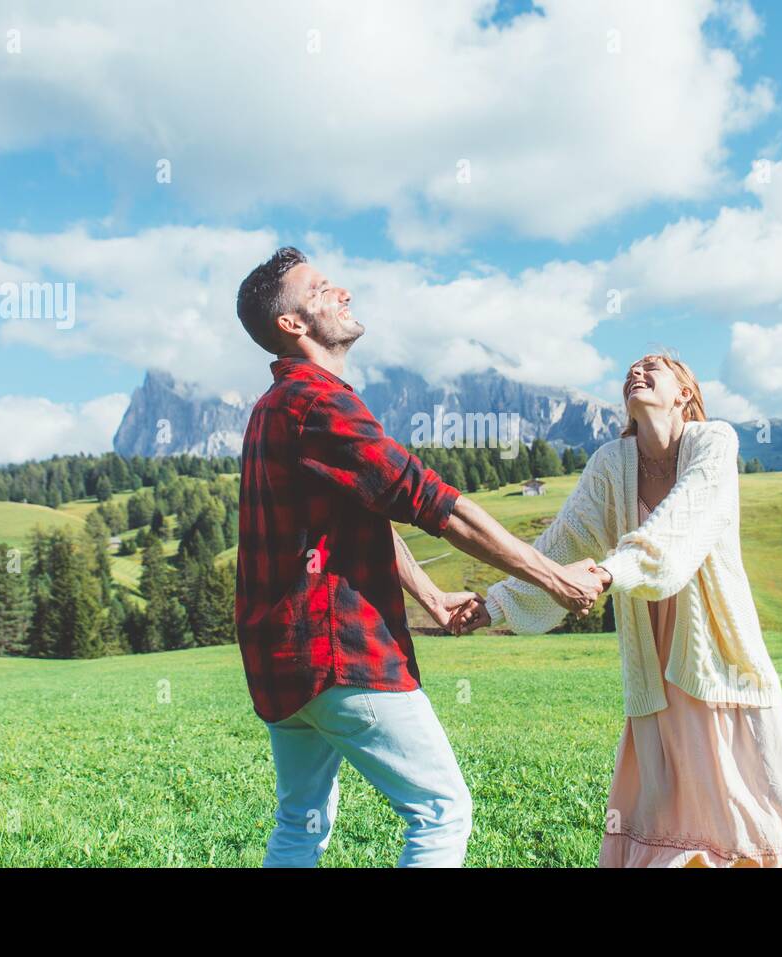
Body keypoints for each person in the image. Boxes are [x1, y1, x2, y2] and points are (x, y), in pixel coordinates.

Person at [233, 246, 603, 867]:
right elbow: (437, 505)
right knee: (441, 814)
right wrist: (556, 578)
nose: (343, 292)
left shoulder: (275, 407)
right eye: (322, 289)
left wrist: (430, 597)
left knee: (300, 825)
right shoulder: (319, 402)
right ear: (291, 325)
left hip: (282, 664)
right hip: (340, 655)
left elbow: (362, 513)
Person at [451, 353, 782, 867]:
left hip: (719, 652)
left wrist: (608, 573)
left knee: (763, 804)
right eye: (630, 372)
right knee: (667, 810)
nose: (636, 374)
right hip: (652, 664)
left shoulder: (713, 442)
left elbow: (682, 524)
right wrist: (496, 605)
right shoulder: (610, 464)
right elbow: (563, 542)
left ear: (685, 392)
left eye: (653, 368)